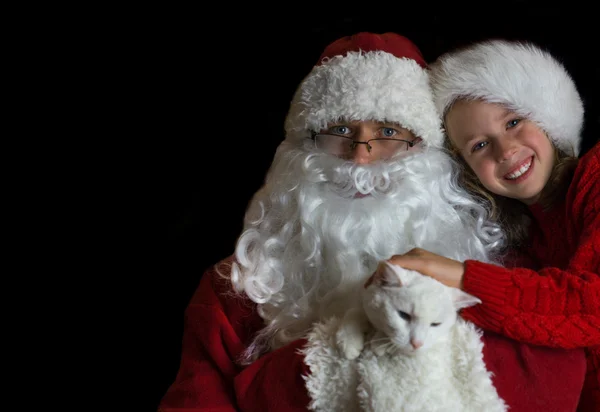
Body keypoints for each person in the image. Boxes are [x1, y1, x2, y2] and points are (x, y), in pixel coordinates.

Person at [158, 32, 586, 412]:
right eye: (340, 130)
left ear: (429, 155)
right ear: (299, 152)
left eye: (388, 133)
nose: (361, 157)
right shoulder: (240, 284)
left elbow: (563, 380)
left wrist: (266, 387)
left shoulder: (507, 265)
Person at [387, 39, 600, 411]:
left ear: (548, 119)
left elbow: (590, 306)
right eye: (480, 146)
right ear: (467, 172)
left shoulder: (597, 176)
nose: (505, 151)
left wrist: (457, 275)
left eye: (514, 122)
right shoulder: (519, 246)